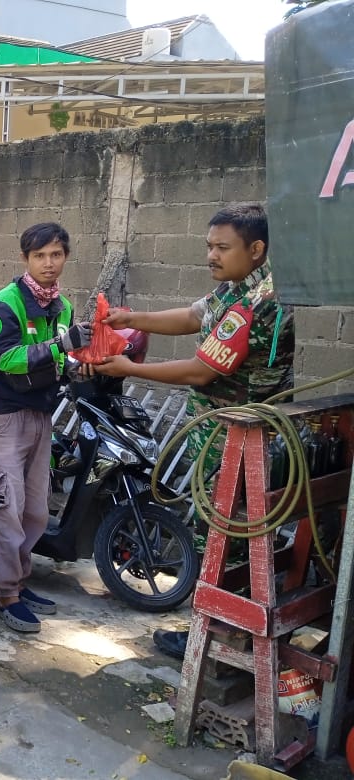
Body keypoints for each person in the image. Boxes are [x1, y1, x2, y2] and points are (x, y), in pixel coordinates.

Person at [95, 203, 294, 658]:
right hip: (224, 438)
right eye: (209, 246)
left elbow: (203, 371)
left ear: (256, 249)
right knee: (221, 534)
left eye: (222, 247)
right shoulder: (234, 290)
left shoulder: (255, 303)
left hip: (240, 444)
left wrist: (129, 366)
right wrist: (133, 318)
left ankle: (214, 638)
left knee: (225, 539)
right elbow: (191, 317)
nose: (211, 255)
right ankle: (218, 631)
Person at [0, 223, 91, 633]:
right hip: (8, 418)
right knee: (7, 509)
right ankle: (6, 594)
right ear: (26, 258)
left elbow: (61, 360)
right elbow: (7, 360)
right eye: (40, 255)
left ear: (65, 258)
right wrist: (60, 348)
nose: (49, 263)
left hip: (43, 416)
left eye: (56, 255)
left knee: (35, 510)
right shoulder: (6, 304)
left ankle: (20, 582)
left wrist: (76, 364)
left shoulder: (63, 307)